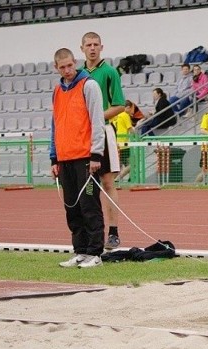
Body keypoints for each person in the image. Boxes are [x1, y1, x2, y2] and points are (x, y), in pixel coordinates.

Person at [50, 48, 105, 269]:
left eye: (70, 65)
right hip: (64, 159)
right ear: (57, 68)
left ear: (76, 63)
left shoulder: (89, 85)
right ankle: (80, 251)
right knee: (71, 208)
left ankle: (95, 253)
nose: (67, 70)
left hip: (85, 158)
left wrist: (96, 154)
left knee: (89, 205)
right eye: (62, 67)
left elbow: (97, 120)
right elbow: (55, 125)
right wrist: (54, 158)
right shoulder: (56, 91)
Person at [80, 32, 126, 250]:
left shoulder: (109, 72)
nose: (92, 48)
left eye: (95, 44)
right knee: (88, 186)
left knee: (107, 183)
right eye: (88, 45)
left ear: (101, 47)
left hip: (104, 132)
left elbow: (119, 105)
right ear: (82, 48)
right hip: (83, 135)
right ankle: (92, 233)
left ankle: (114, 232)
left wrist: (96, 117)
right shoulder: (78, 74)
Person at [111, 100, 138, 182]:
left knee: (120, 165)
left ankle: (130, 178)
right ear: (128, 107)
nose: (131, 111)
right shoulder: (125, 115)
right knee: (133, 163)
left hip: (116, 142)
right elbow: (130, 129)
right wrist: (137, 137)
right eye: (131, 109)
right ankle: (118, 178)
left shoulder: (116, 115)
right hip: (124, 144)